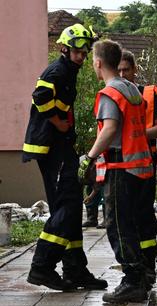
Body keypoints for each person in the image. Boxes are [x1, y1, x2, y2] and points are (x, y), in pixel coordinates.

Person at [22, 24, 107, 291]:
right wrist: (57, 122)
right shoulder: (57, 70)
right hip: (50, 149)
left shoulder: (68, 71)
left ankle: (74, 270)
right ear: (64, 49)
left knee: (69, 211)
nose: (82, 57)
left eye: (84, 52)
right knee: (67, 209)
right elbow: (40, 95)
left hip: (60, 148)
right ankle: (42, 268)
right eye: (77, 52)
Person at [83, 39, 154, 303]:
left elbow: (111, 129)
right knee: (132, 223)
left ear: (98, 63)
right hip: (139, 166)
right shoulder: (132, 89)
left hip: (120, 167)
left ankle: (132, 280)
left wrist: (90, 156)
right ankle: (142, 276)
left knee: (118, 225)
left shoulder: (110, 94)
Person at [118, 49, 157, 290]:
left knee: (143, 215)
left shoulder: (147, 93)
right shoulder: (113, 94)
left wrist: (136, 136)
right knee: (125, 217)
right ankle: (134, 266)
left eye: (126, 69)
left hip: (146, 160)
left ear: (134, 70)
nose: (122, 73)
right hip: (121, 164)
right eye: (118, 70)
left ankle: (147, 265)